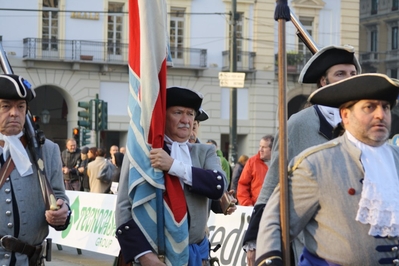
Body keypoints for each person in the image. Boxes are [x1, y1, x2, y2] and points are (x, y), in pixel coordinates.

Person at [256, 73, 399, 265]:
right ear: (345, 115)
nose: (380, 115)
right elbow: (276, 221)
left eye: (385, 107)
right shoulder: (316, 163)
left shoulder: (396, 159)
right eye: (369, 107)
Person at [242, 45, 362, 265]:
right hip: (312, 246)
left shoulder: (364, 123)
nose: (349, 79)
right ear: (323, 82)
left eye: (353, 74)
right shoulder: (299, 124)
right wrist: (254, 239)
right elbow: (273, 184)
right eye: (340, 74)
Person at [115, 86, 227, 266]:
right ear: (162, 116)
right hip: (152, 257)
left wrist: (173, 166)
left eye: (190, 114)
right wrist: (145, 256)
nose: (185, 120)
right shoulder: (141, 153)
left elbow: (219, 185)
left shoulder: (205, 152)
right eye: (178, 112)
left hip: (195, 255)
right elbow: (123, 208)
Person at [0, 74, 70, 265]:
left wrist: (63, 212)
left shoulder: (47, 149)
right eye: (6, 106)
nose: (14, 113)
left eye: (20, 106)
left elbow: (58, 194)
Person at [237, 135, 274, 206]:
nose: (261, 150)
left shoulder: (281, 162)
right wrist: (247, 204)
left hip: (275, 207)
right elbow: (242, 184)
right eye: (260, 146)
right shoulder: (252, 162)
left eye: (264, 147)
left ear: (272, 149)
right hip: (256, 207)